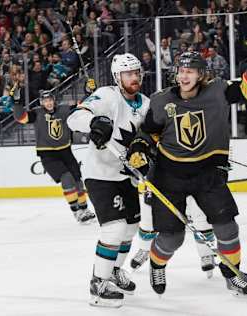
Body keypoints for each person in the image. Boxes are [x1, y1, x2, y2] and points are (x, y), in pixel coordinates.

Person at [126, 35, 247, 297]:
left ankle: (232, 275)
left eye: (190, 71)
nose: (184, 76)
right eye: (181, 71)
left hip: (208, 173)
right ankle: (156, 264)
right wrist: (139, 149)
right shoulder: (162, 100)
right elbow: (148, 133)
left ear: (201, 75)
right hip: (169, 174)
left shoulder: (217, 91)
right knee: (172, 237)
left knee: (227, 226)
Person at [67, 53, 150, 308]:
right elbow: (74, 118)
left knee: (130, 229)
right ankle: (98, 283)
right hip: (100, 174)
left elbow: (150, 138)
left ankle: (114, 270)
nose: (134, 77)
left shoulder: (146, 103)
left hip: (127, 177)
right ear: (117, 77)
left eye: (136, 72)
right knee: (113, 229)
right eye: (128, 74)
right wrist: (95, 121)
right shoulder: (107, 95)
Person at [12, 82, 95, 225]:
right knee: (67, 178)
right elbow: (21, 118)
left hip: (66, 150)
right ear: (41, 102)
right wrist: (17, 103)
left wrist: (88, 92)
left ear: (53, 100)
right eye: (45, 101)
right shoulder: (37, 113)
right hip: (48, 154)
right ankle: (77, 212)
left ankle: (84, 209)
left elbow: (81, 107)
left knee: (78, 180)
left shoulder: (63, 110)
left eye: (50, 100)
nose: (48, 103)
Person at [130, 181, 217, 278]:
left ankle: (206, 253)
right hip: (161, 175)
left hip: (193, 175)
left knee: (200, 212)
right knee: (149, 215)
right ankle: (145, 248)